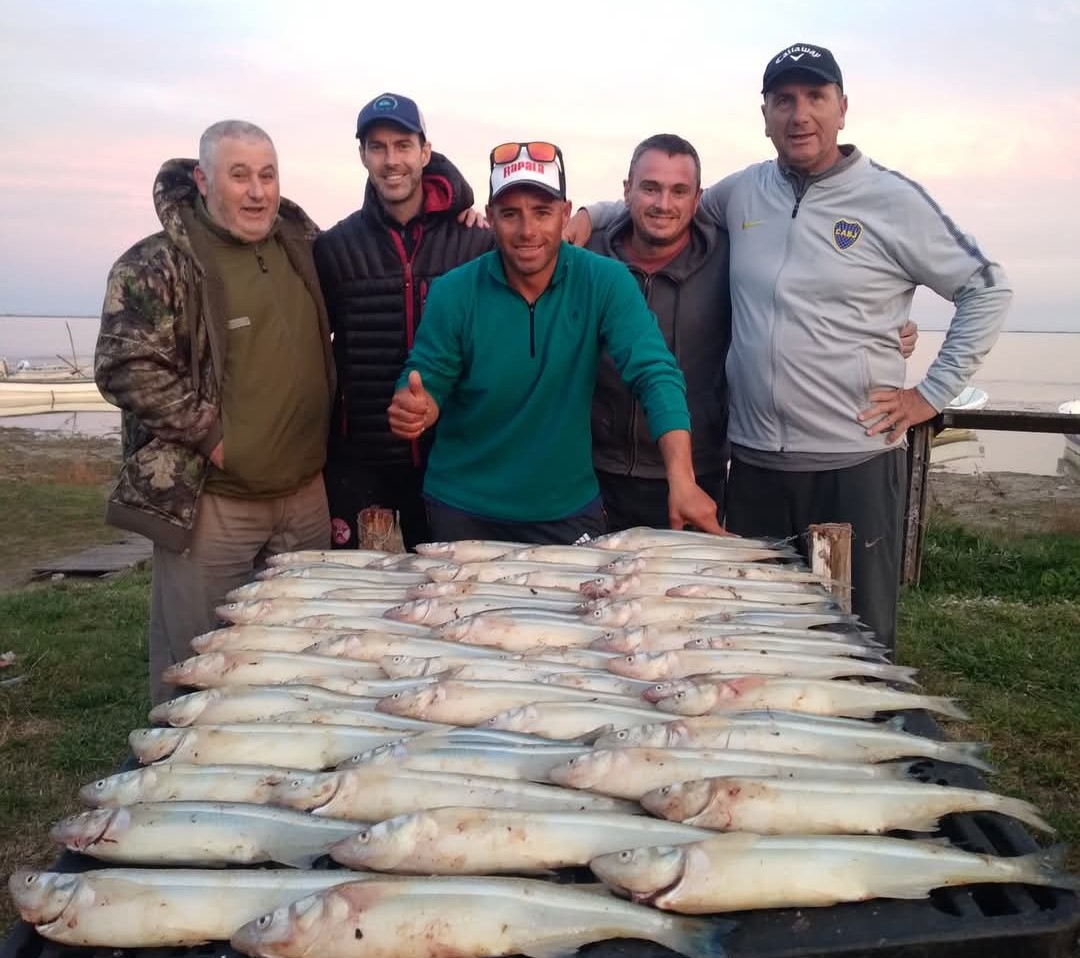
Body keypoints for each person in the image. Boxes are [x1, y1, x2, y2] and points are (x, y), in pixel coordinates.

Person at [571, 44, 1011, 653]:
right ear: (766, 114)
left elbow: (986, 290)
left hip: (851, 457)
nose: (799, 114)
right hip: (752, 463)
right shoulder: (745, 192)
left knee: (855, 632)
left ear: (842, 108)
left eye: (815, 98)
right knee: (754, 627)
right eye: (784, 100)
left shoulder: (891, 199)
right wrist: (589, 214)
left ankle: (873, 740)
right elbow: (667, 203)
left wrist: (930, 394)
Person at [95, 120, 335, 704]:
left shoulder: (303, 249)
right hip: (214, 503)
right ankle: (178, 781)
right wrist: (212, 437)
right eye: (240, 175)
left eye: (268, 175)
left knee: (298, 657)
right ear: (203, 181)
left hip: (305, 499)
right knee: (202, 666)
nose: (257, 191)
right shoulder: (156, 264)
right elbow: (125, 364)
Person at [387, 141, 721, 544]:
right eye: (511, 214)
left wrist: (682, 480)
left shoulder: (605, 281)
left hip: (565, 508)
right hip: (462, 507)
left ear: (565, 214)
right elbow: (427, 378)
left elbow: (655, 374)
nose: (528, 231)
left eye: (542, 213)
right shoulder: (453, 291)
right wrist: (416, 406)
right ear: (490, 217)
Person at [315, 92, 494, 551]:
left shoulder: (474, 241)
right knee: (363, 595)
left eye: (402, 145)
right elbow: (315, 349)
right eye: (378, 147)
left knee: (444, 592)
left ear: (425, 152)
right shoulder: (334, 248)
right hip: (362, 462)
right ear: (362, 156)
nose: (391, 160)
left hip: (453, 456)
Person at [586, 133, 730, 533]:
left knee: (685, 595)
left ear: (697, 198)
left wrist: (893, 329)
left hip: (696, 473)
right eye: (650, 188)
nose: (663, 204)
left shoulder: (729, 261)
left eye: (678, 191)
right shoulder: (586, 255)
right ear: (627, 190)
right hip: (593, 472)